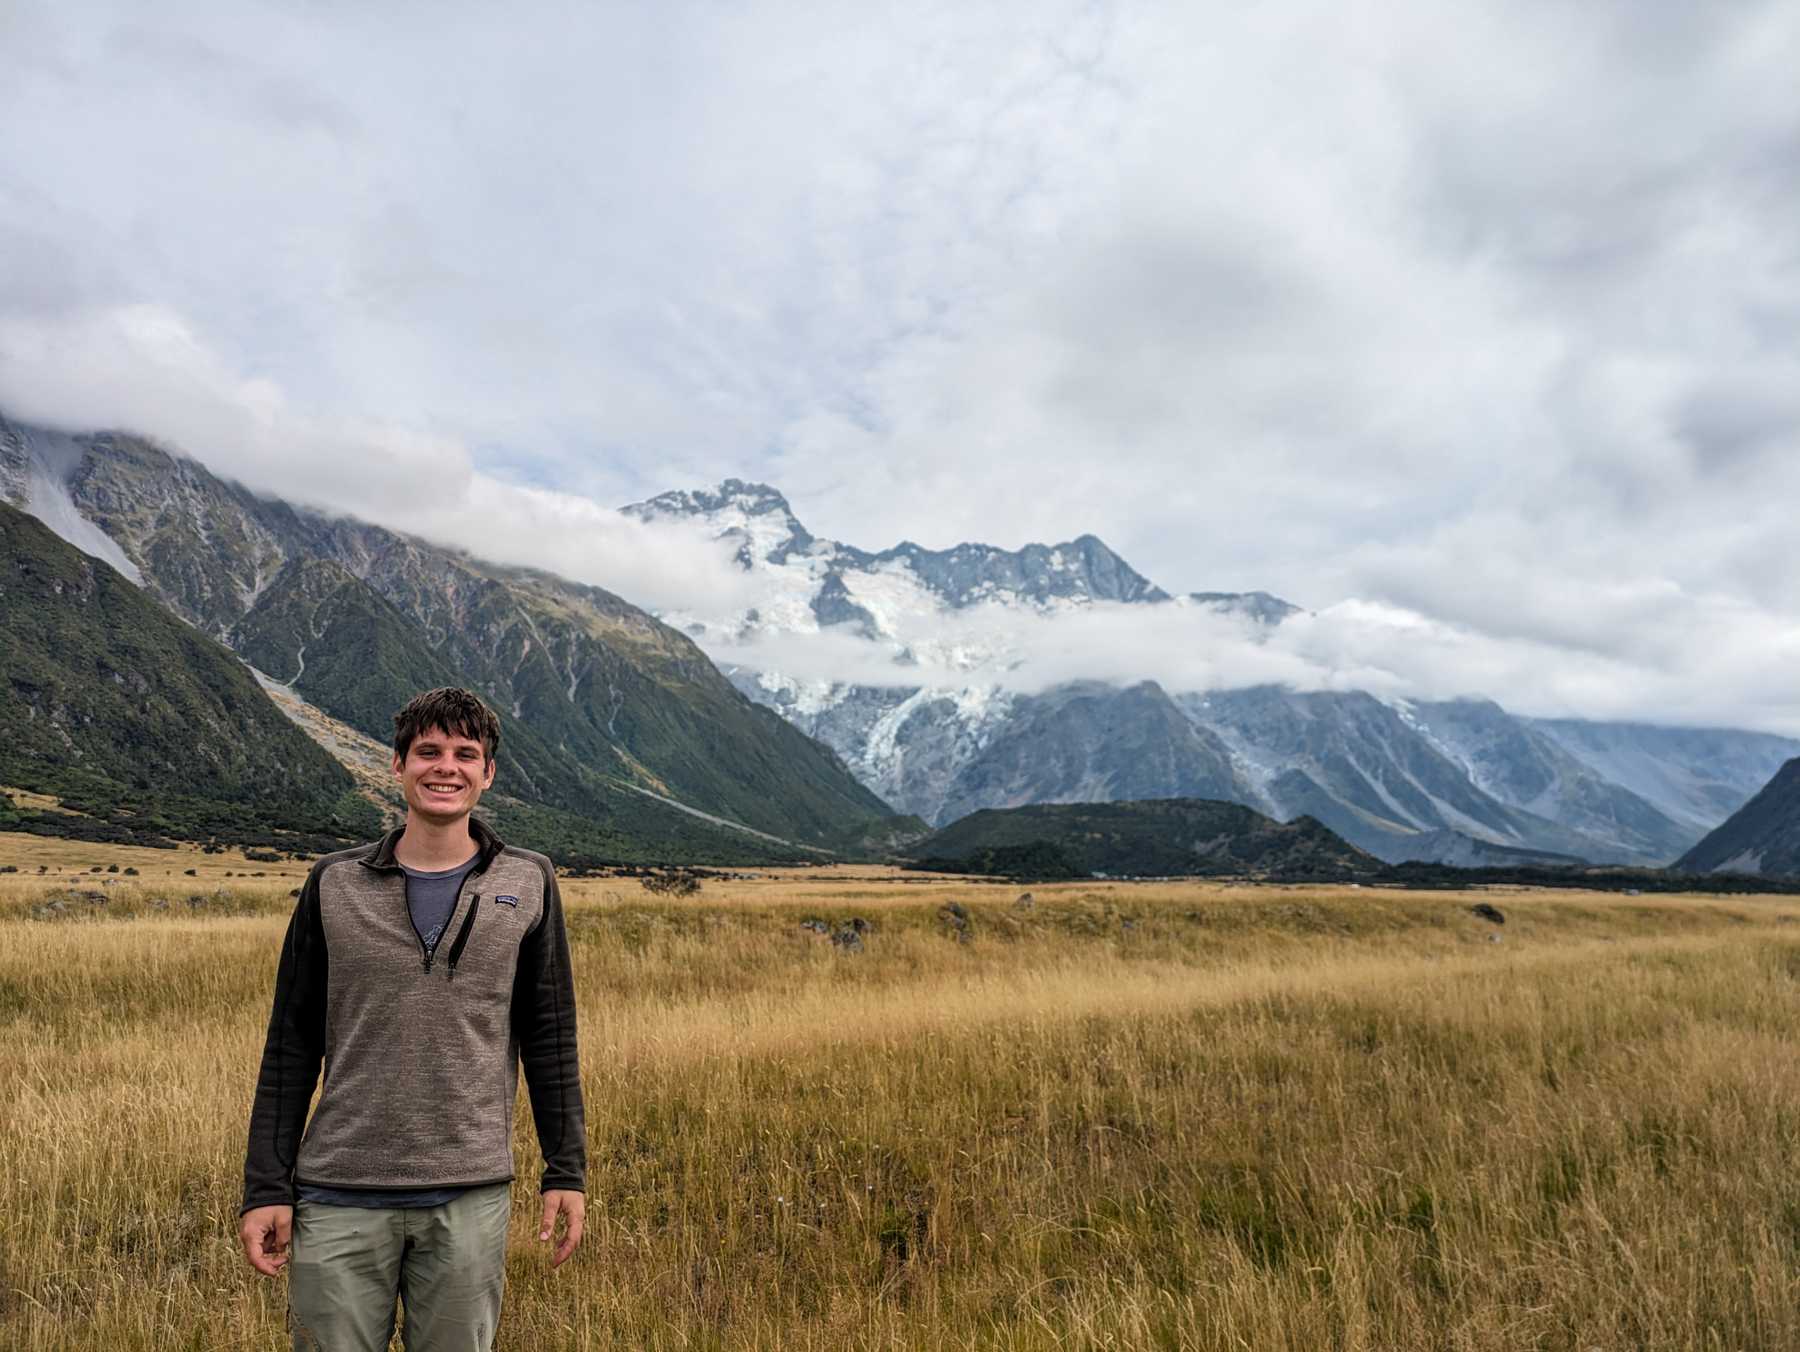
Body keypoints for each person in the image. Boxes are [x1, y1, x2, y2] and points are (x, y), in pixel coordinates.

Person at [238, 686, 585, 1351]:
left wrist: (565, 1172)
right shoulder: (333, 883)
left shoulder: (530, 880)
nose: (444, 767)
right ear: (396, 766)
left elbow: (551, 1039)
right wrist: (264, 1188)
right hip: (338, 1193)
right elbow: (290, 1045)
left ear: (488, 774)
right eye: (427, 751)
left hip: (469, 1194)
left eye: (465, 753)